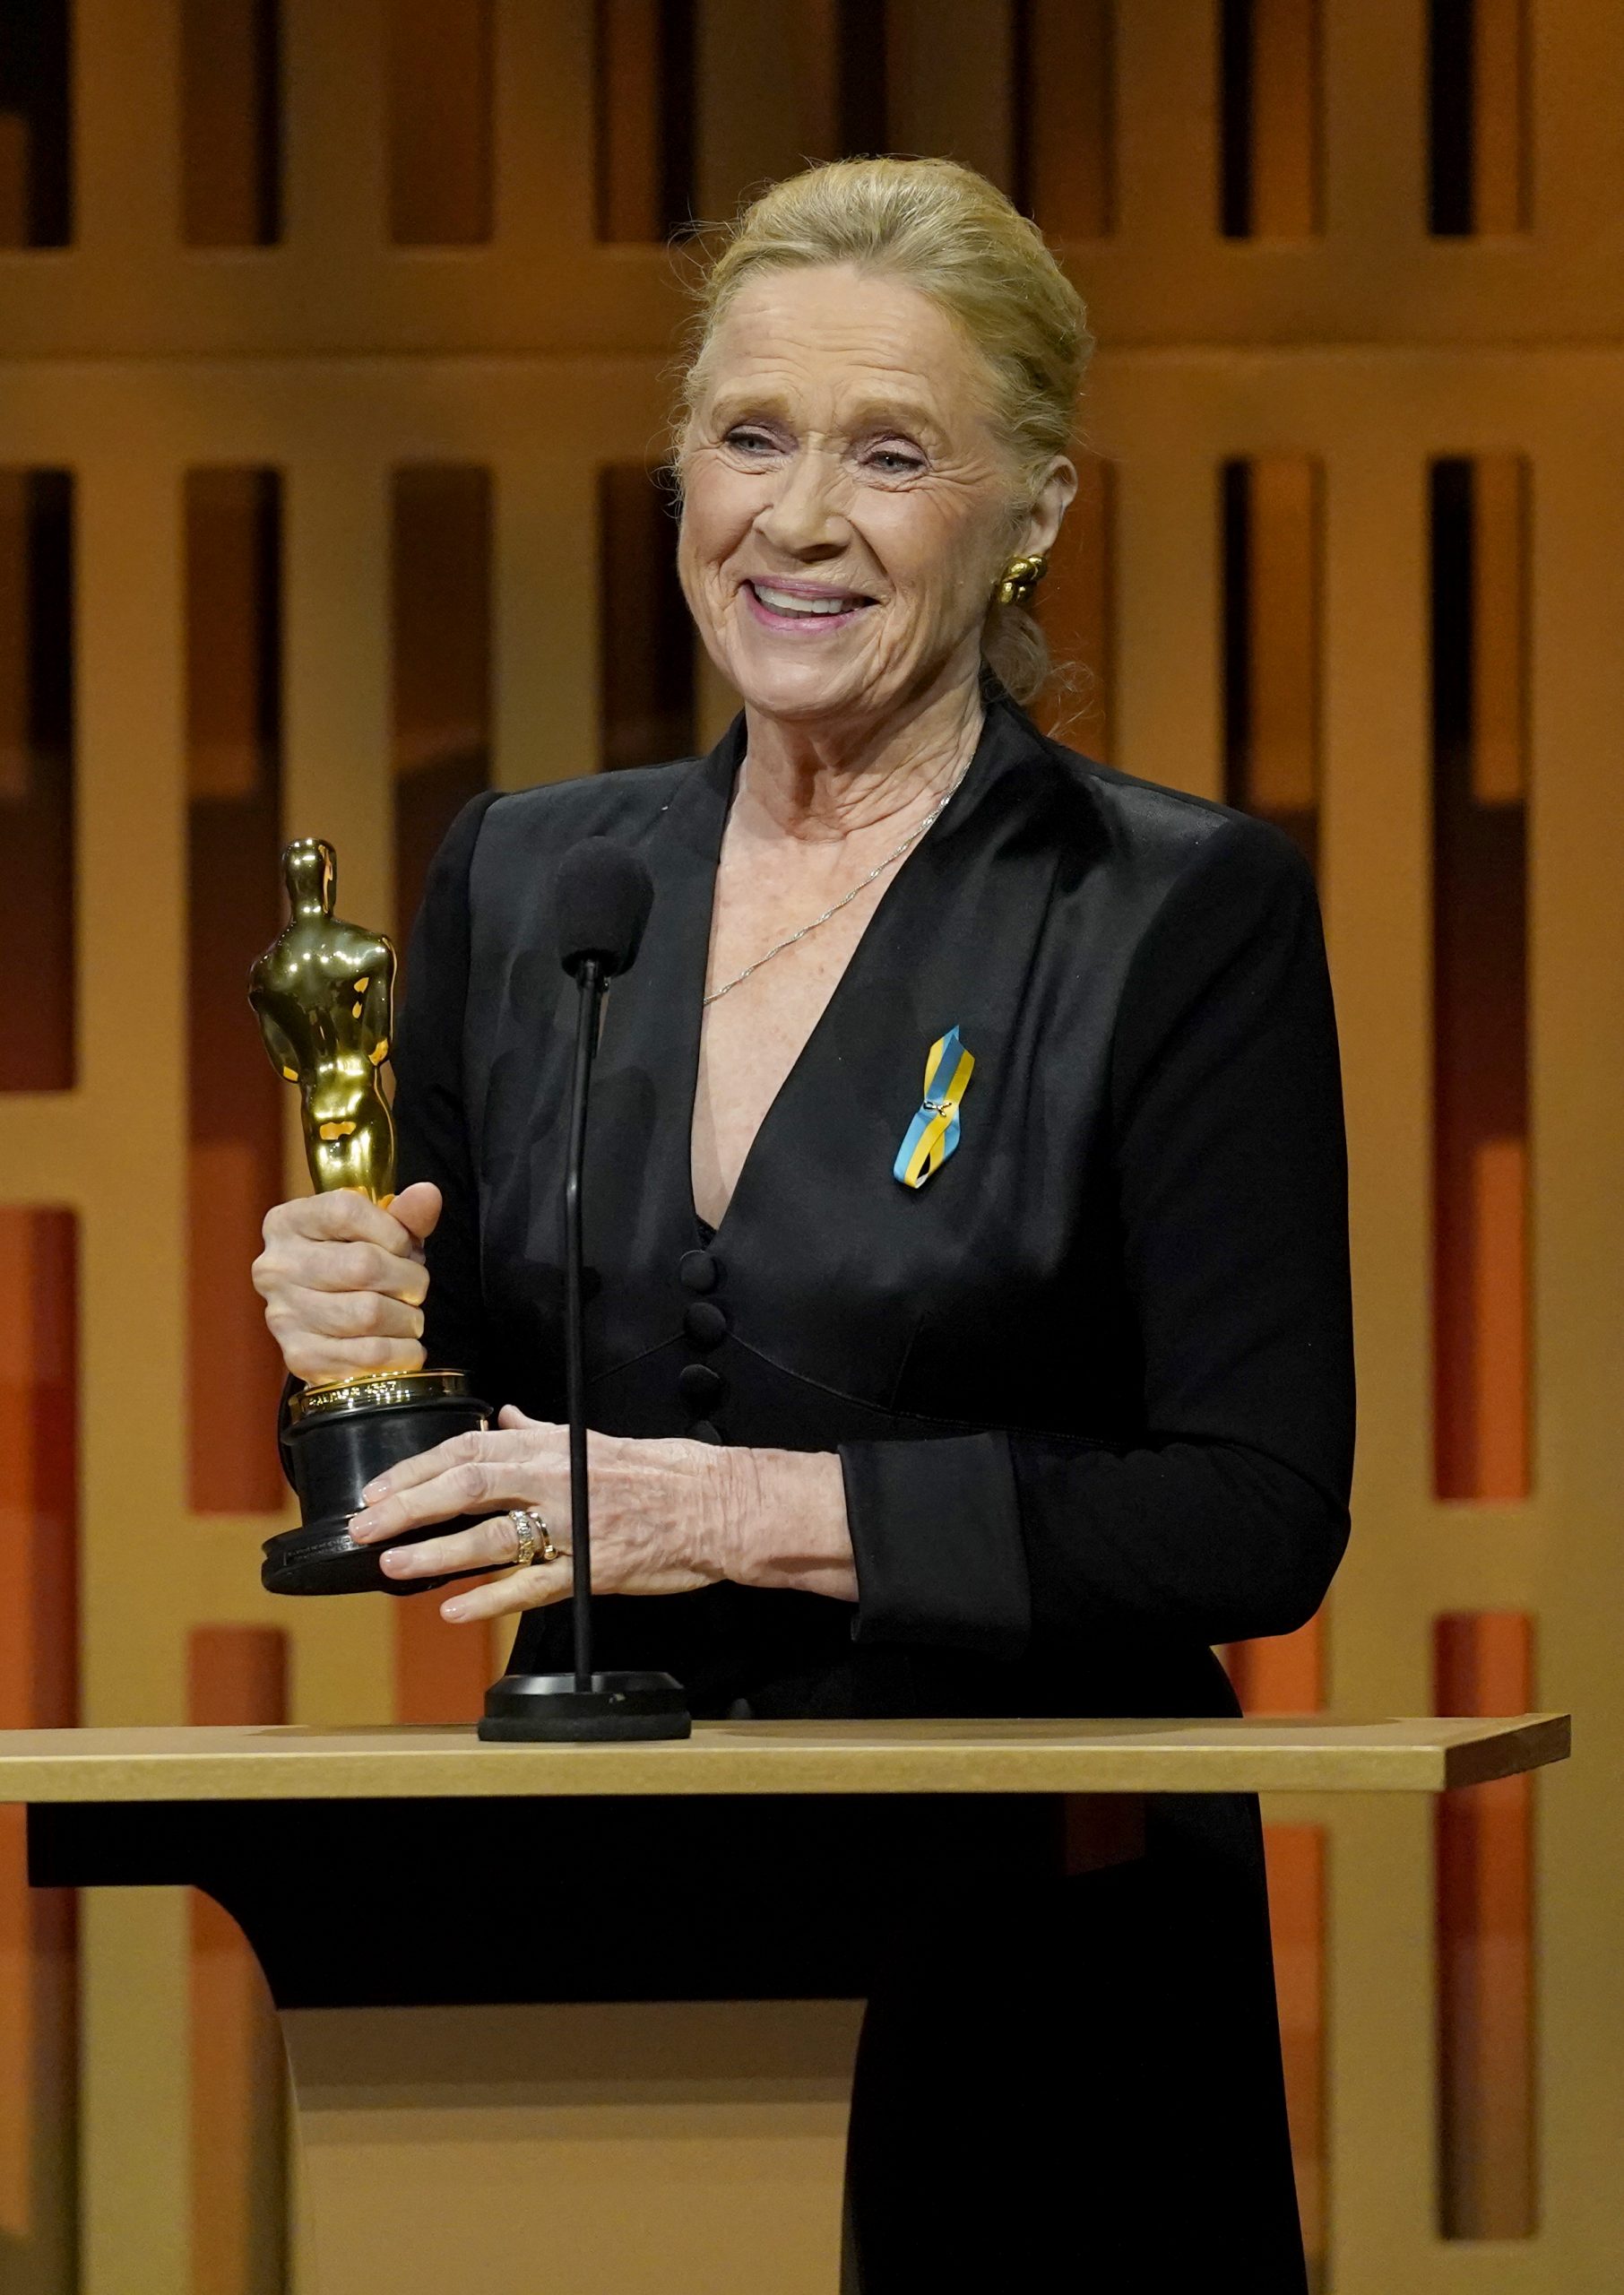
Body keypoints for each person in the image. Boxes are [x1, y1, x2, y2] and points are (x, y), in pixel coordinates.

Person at [253, 156, 1353, 2288]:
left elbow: (1252, 1512)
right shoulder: (539, 877)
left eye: (893, 452)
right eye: (748, 437)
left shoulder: (1169, 911)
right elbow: (458, 1461)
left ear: (1034, 504)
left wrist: (727, 1512)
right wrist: (347, 1348)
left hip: (1037, 1936)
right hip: (606, 1921)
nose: (800, 517)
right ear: (678, 473)